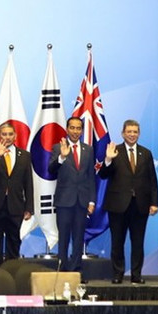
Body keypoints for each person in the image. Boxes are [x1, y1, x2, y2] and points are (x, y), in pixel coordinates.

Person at [99, 119, 158, 284]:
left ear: (139, 134)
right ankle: (117, 274)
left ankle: (136, 275)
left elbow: (152, 180)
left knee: (138, 242)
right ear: (123, 133)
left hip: (140, 205)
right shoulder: (114, 151)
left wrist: (154, 202)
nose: (132, 134)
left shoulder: (146, 153)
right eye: (129, 131)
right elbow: (103, 174)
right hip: (118, 205)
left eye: (135, 132)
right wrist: (108, 159)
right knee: (117, 241)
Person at [0, 121, 34, 267]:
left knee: (14, 239)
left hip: (15, 205)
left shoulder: (25, 155)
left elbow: (28, 182)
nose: (7, 137)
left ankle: (12, 269)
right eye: (4, 134)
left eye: (10, 134)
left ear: (15, 136)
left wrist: (29, 207)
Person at [48, 117, 96, 274]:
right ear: (67, 129)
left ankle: (76, 271)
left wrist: (92, 201)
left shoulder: (88, 150)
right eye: (72, 128)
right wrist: (62, 157)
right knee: (63, 238)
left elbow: (91, 177)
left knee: (78, 238)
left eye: (78, 128)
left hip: (82, 201)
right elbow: (51, 169)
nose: (75, 131)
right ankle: (62, 271)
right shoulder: (58, 148)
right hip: (64, 201)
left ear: (82, 131)